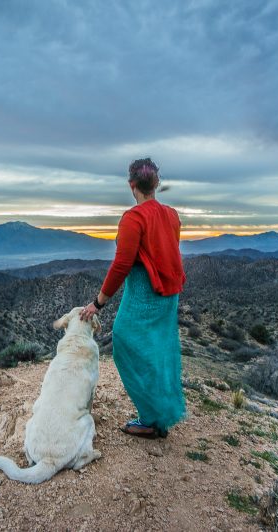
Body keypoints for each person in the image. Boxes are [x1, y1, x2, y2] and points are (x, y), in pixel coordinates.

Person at [79, 157, 187, 439]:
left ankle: (150, 419)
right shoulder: (172, 215)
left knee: (124, 340)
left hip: (143, 292)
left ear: (131, 185)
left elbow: (121, 265)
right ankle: (159, 417)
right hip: (168, 293)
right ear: (156, 184)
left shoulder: (134, 218)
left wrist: (98, 303)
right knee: (158, 351)